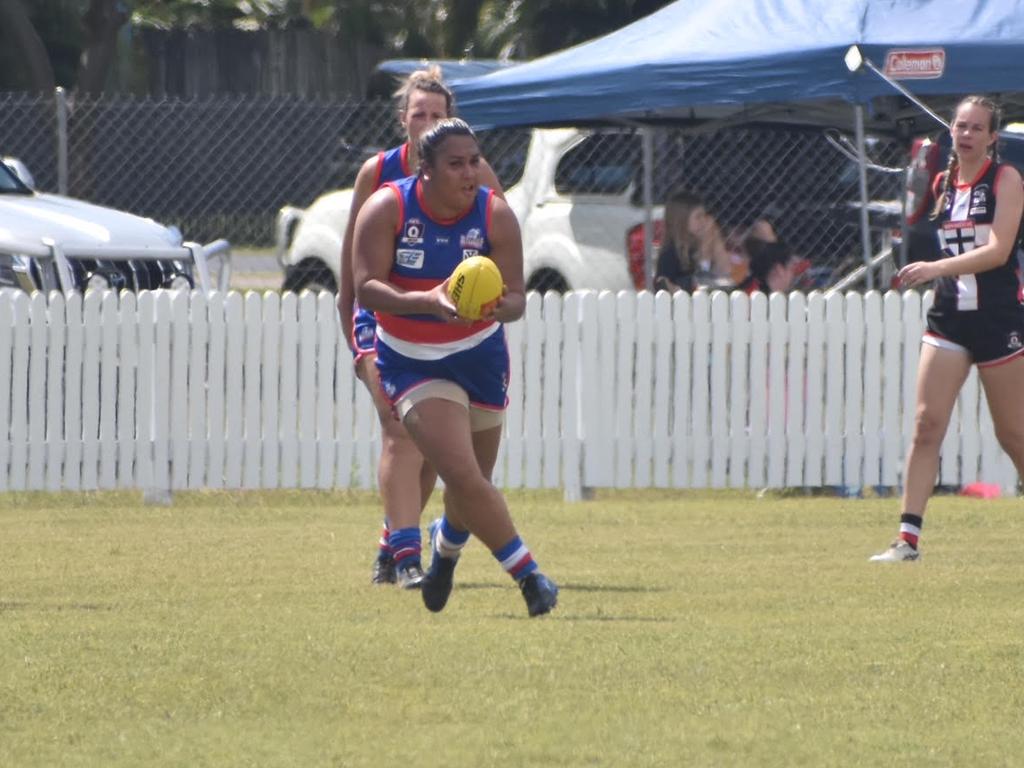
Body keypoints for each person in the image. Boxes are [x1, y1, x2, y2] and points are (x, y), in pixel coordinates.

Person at [352, 118, 558, 616]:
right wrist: (429, 300)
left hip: (480, 356)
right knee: (462, 474)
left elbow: (516, 301)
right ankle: (530, 577)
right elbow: (365, 287)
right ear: (425, 170)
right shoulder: (388, 207)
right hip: (413, 361)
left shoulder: (495, 216)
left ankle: (444, 552)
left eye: (475, 161)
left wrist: (492, 307)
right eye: (456, 164)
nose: (470, 173)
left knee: (473, 487)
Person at [337, 67, 503, 588]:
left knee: (432, 443)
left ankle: (394, 540)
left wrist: (485, 301)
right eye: (418, 114)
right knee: (396, 428)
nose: (427, 121)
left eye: (437, 114)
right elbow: (354, 267)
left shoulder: (474, 172)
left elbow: (501, 243)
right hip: (381, 316)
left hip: (447, 325)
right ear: (402, 120)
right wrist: (350, 322)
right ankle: (404, 560)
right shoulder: (378, 172)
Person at [871, 95, 1024, 562]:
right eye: (961, 126)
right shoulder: (942, 182)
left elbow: (998, 251)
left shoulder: (1006, 178)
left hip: (998, 317)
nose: (967, 134)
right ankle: (907, 539)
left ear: (993, 137)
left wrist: (937, 268)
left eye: (977, 128)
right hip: (949, 318)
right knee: (926, 424)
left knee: (1013, 434)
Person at [653, 191, 745, 292]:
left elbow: (726, 271)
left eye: (704, 216)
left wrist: (715, 238)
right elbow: (701, 279)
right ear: (682, 220)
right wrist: (705, 249)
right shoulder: (671, 252)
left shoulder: (701, 242)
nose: (703, 221)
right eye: (698, 217)